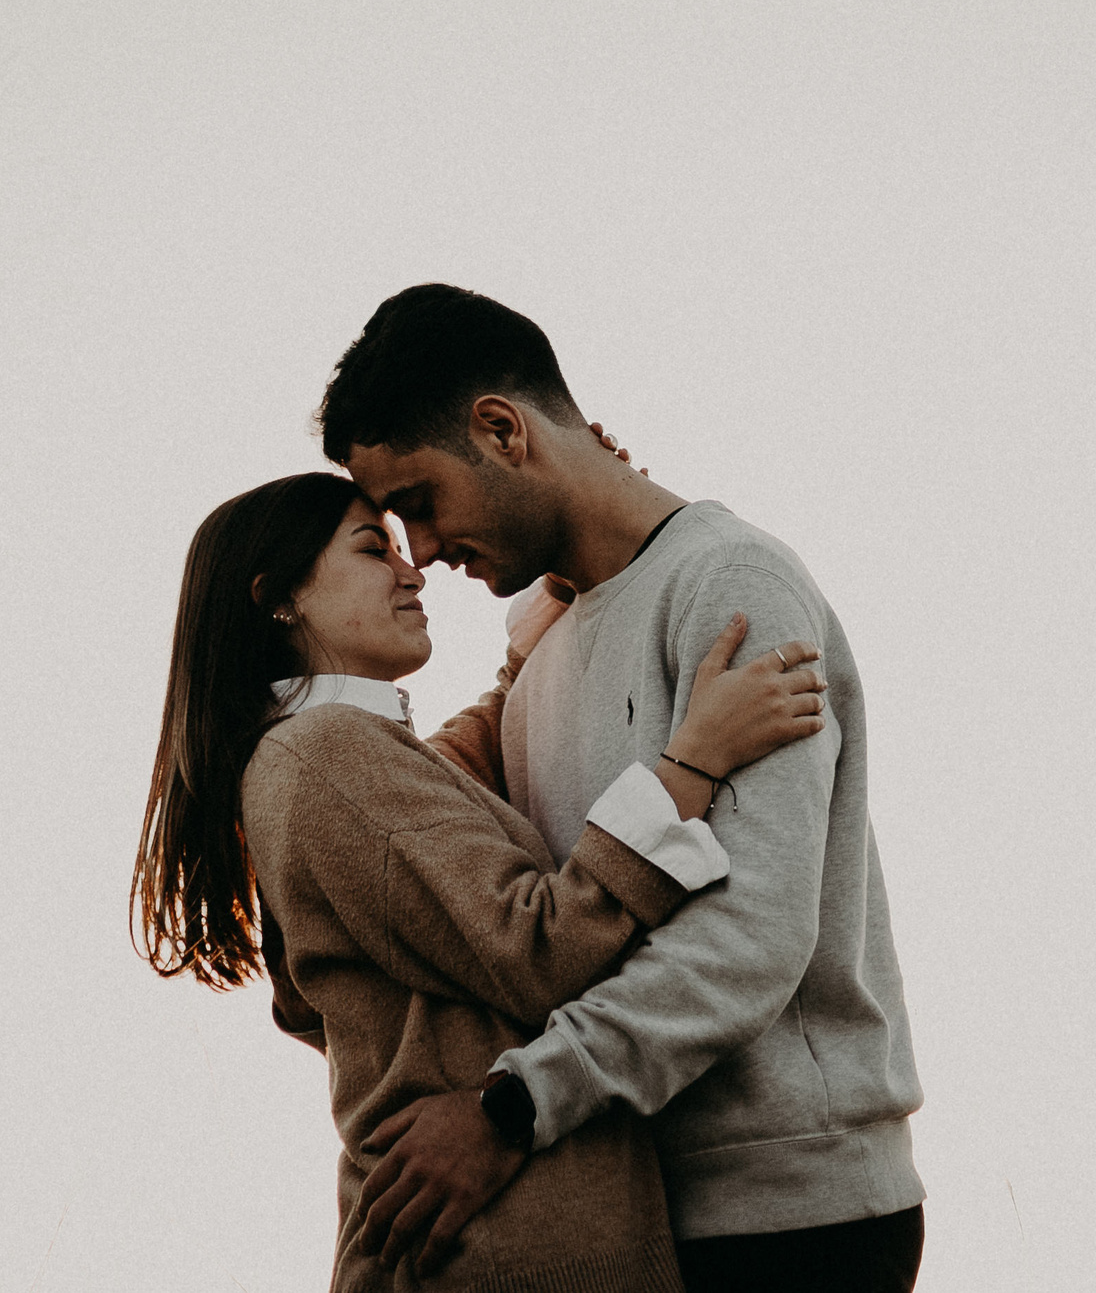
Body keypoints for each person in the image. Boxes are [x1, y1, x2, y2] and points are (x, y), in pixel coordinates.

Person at [322, 284, 924, 1293]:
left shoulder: (731, 585)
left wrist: (510, 1106)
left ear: (502, 429)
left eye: (421, 503)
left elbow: (750, 940)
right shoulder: (546, 650)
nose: (419, 550)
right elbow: (440, 848)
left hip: (791, 1216)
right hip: (632, 1205)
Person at [132, 470, 825, 1291]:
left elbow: (447, 780)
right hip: (511, 1250)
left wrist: (542, 616)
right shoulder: (324, 758)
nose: (412, 569)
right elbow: (540, 948)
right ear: (281, 598)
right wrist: (693, 763)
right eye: (371, 548)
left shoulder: (322, 754)